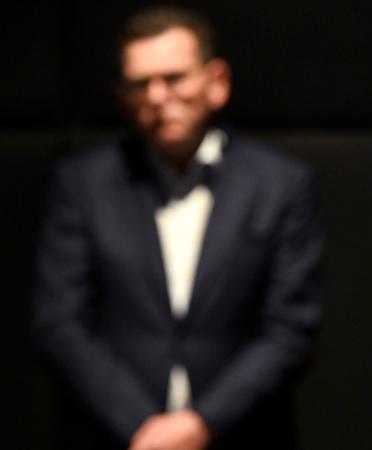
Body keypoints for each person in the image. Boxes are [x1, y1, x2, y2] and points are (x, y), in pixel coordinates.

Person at [33, 6, 323, 450]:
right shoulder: (82, 182)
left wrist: (198, 427)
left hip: (243, 434)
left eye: (173, 78)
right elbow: (60, 322)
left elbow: (290, 330)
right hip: (115, 435)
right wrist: (143, 430)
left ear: (216, 82)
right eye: (139, 83)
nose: (156, 96)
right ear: (121, 95)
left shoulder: (280, 184)